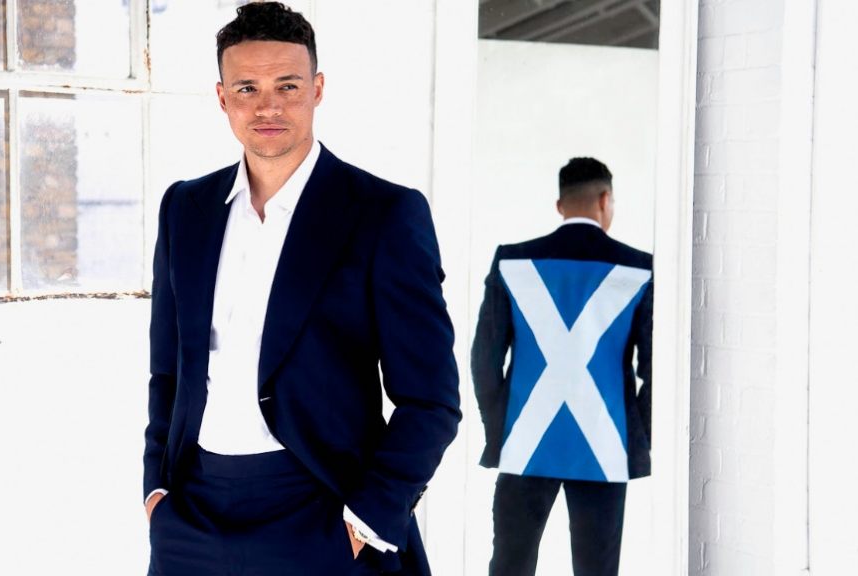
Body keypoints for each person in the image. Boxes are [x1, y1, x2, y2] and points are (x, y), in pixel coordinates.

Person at [142, 3, 460, 575]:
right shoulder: (185, 208)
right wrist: (156, 492)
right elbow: (168, 368)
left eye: (287, 86)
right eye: (247, 88)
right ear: (222, 98)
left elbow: (431, 400)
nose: (268, 106)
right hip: (192, 516)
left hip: (320, 510)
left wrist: (367, 519)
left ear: (317, 89)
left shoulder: (383, 213)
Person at [471, 157, 653, 576]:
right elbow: (653, 368)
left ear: (560, 205)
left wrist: (502, 427)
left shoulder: (512, 262)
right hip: (605, 445)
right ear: (605, 200)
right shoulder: (639, 268)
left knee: (510, 565)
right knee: (597, 570)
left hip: (525, 441)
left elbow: (484, 360)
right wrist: (636, 431)